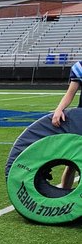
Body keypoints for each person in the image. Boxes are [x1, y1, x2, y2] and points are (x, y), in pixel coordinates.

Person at [50, 59, 82, 189]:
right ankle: (64, 195)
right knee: (72, 162)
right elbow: (70, 93)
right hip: (81, 119)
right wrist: (59, 109)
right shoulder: (79, 67)